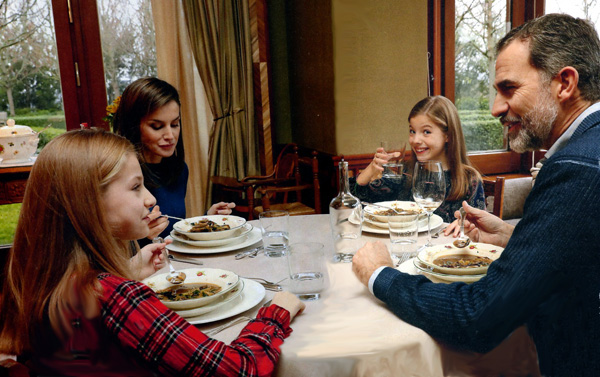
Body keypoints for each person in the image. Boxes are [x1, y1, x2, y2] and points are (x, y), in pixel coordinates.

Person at [352, 13, 600, 376]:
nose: (495, 108)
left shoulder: (577, 167)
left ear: (564, 83)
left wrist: (380, 275)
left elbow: (477, 318)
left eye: (509, 88)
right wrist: (514, 237)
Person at [0, 129, 305, 376]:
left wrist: (127, 272)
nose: (149, 199)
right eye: (135, 188)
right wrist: (278, 312)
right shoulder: (118, 298)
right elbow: (237, 369)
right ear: (87, 204)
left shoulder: (36, 279)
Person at [113, 77, 235, 240]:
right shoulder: (119, 176)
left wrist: (207, 220)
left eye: (175, 124)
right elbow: (109, 248)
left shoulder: (179, 170)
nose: (170, 136)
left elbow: (173, 229)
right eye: (157, 126)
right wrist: (142, 236)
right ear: (133, 126)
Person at [351, 96, 485, 222]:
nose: (415, 140)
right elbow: (353, 202)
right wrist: (371, 168)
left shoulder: (469, 180)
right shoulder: (405, 173)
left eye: (426, 132)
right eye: (412, 131)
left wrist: (466, 226)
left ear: (448, 135)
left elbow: (478, 230)